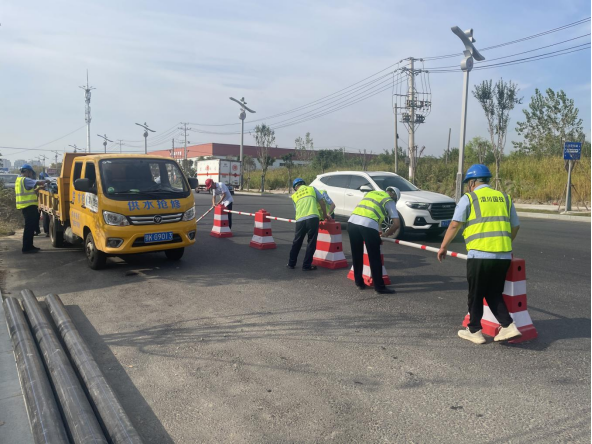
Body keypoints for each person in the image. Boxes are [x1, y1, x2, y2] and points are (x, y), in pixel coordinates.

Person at [437, 164, 522, 344]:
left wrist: (443, 246)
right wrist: (505, 243)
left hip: (480, 255)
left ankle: (474, 330)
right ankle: (508, 326)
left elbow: (454, 224)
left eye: (469, 183)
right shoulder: (505, 198)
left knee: (475, 294)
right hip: (503, 255)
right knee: (493, 292)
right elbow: (515, 226)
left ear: (472, 182)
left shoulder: (470, 198)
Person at [348, 186, 400, 294]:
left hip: (352, 222)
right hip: (367, 225)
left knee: (357, 254)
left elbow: (359, 208)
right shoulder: (389, 200)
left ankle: (359, 282)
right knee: (374, 257)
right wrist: (386, 234)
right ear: (394, 197)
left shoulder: (371, 194)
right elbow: (396, 224)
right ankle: (379, 287)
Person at [287, 178, 328, 271]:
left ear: (295, 187)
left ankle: (291, 263)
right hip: (312, 218)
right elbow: (322, 202)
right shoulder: (311, 189)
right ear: (304, 184)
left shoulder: (294, 196)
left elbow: (297, 209)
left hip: (300, 220)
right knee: (311, 242)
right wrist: (325, 215)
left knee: (297, 242)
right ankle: (306, 265)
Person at [15, 164, 48, 254]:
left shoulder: (19, 180)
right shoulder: (25, 179)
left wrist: (39, 189)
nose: (31, 175)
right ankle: (26, 248)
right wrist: (46, 181)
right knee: (29, 228)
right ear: (28, 172)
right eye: (31, 173)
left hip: (26, 207)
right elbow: (38, 182)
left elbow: (30, 190)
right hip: (29, 207)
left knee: (30, 227)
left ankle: (30, 246)